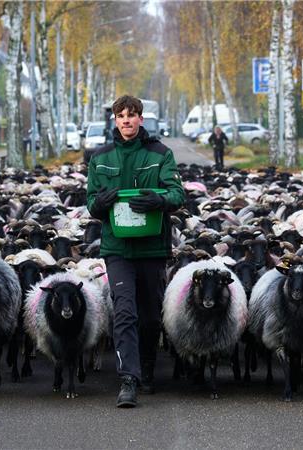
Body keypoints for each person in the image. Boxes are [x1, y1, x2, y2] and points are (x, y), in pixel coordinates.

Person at [86, 95, 185, 408]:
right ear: (114, 120)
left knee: (149, 316)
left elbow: (177, 193)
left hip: (152, 247)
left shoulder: (160, 154)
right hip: (117, 247)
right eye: (121, 115)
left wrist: (160, 201)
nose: (126, 120)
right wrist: (99, 204)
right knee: (125, 311)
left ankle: (147, 368)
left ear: (141, 119)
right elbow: (90, 202)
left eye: (132, 115)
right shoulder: (100, 158)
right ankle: (128, 379)